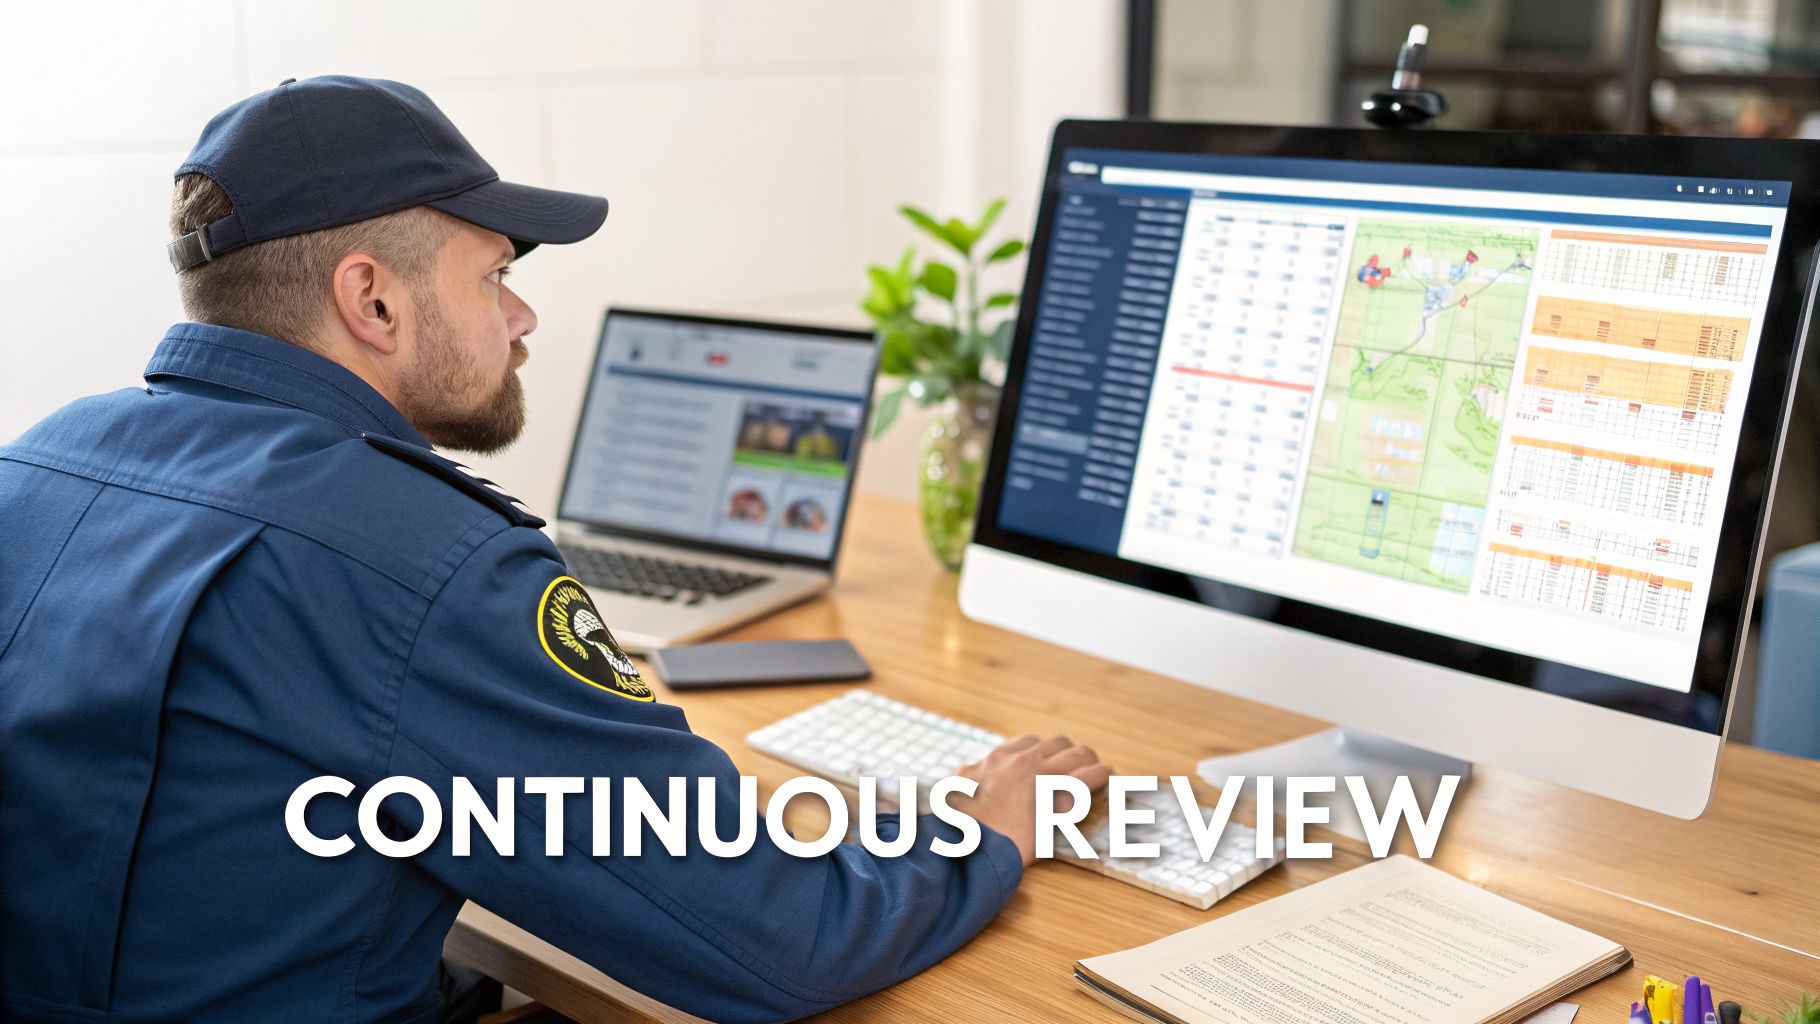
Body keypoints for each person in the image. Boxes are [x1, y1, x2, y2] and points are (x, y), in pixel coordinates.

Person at [0, 76, 1110, 1024]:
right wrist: (973, 830)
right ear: (371, 299)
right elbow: (777, 941)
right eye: (492, 274)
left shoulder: (36, 463)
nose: (522, 316)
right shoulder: (423, 564)